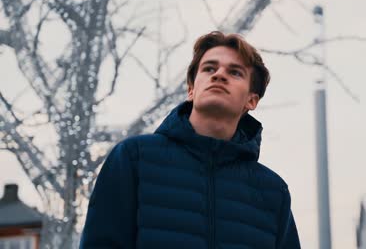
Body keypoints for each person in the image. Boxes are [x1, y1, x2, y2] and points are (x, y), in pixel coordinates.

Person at [80, 31, 301, 248]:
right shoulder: (135, 158)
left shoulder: (273, 192)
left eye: (235, 72)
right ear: (191, 90)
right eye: (209, 68)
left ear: (251, 100)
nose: (219, 75)